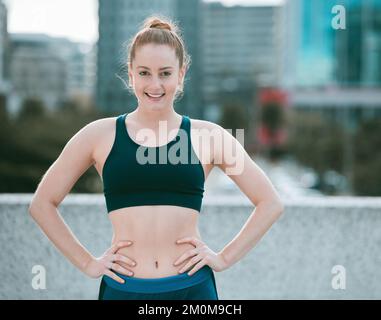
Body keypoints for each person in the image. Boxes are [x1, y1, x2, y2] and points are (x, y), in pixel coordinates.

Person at [28, 15, 284, 300]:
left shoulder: (209, 136)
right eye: (145, 73)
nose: (155, 84)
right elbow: (42, 204)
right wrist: (88, 262)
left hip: (192, 289)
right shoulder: (98, 135)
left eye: (165, 73)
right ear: (130, 74)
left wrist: (223, 258)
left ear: (181, 74)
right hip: (123, 289)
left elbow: (270, 202)